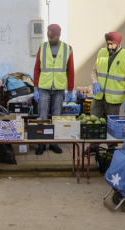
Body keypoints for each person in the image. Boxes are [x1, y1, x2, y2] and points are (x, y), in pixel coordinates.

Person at [85, 31, 125, 155]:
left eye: (112, 44)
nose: (109, 47)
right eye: (108, 44)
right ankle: (93, 146)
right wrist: (95, 82)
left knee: (113, 125)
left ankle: (111, 148)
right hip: (99, 95)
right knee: (94, 121)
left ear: (118, 43)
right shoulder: (101, 52)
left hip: (115, 98)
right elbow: (94, 71)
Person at [33, 24, 75, 155]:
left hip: (59, 89)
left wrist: (70, 89)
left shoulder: (67, 48)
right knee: (43, 117)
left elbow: (71, 70)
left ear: (59, 35)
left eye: (52, 37)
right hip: (44, 88)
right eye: (48, 36)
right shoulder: (43, 47)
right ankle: (41, 143)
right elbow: (37, 68)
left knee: (56, 117)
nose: (50, 39)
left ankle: (53, 143)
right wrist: (35, 88)